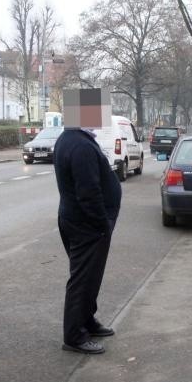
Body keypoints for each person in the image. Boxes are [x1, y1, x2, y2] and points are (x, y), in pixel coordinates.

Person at [54, 89, 121, 354]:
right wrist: (102, 223)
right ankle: (74, 336)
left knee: (90, 278)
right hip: (86, 225)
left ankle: (87, 320)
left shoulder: (72, 138)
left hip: (78, 221)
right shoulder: (79, 145)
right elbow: (88, 192)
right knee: (82, 279)